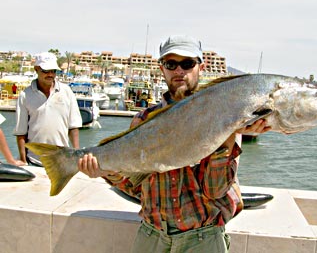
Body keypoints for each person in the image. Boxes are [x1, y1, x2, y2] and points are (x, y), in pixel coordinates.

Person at [78, 35, 270, 253]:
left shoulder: (225, 118)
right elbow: (137, 187)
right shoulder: (143, 120)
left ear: (201, 67)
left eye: (187, 64)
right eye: (171, 64)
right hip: (152, 237)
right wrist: (104, 171)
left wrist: (228, 135)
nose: (179, 71)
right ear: (162, 69)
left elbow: (215, 191)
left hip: (203, 240)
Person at [13, 52, 82, 166]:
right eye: (46, 71)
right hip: (34, 162)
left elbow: (73, 126)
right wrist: (23, 160)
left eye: (53, 71)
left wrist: (76, 155)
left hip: (62, 162)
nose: (50, 74)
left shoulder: (67, 92)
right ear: (36, 69)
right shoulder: (25, 95)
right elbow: (21, 132)